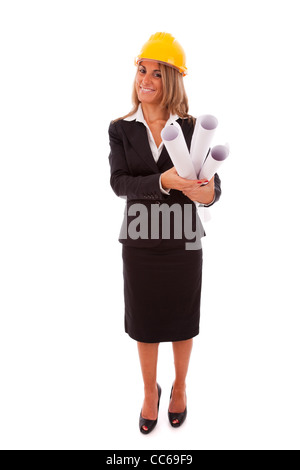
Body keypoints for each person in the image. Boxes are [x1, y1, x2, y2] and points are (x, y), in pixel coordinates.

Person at [108, 32, 222, 434]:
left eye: (157, 73)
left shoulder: (191, 128)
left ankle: (179, 388)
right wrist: (164, 183)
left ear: (172, 80)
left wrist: (207, 194)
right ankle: (148, 391)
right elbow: (120, 183)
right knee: (144, 321)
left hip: (182, 241)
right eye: (142, 70)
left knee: (181, 319)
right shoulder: (121, 129)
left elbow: (213, 188)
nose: (146, 80)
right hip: (139, 241)